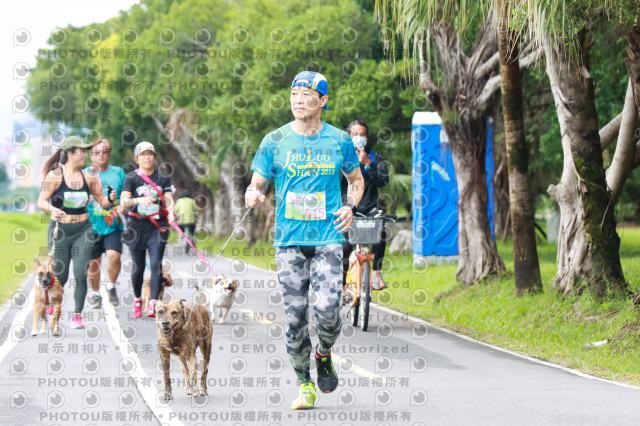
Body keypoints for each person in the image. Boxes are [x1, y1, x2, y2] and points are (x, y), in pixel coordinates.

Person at [246, 70, 364, 410]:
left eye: (307, 94)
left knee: (328, 311)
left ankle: (324, 352)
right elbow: (256, 184)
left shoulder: (340, 140)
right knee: (296, 318)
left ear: (323, 101)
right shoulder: (274, 141)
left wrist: (350, 206)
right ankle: (304, 383)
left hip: (328, 237)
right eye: (294, 94)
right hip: (289, 241)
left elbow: (356, 181)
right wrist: (252, 194)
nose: (298, 100)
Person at [37, 136, 116, 329]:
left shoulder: (89, 177)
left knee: (81, 273)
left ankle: (77, 315)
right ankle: (50, 300)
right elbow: (41, 201)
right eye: (81, 152)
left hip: (83, 230)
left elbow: (103, 201)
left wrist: (111, 198)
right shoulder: (54, 176)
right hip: (60, 232)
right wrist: (52, 209)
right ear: (71, 153)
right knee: (61, 276)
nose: (85, 156)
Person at [119, 142, 175, 319]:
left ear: (154, 157)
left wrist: (172, 213)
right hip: (136, 227)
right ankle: (137, 299)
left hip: (157, 227)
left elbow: (168, 197)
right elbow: (124, 202)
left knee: (156, 264)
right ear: (137, 159)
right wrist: (137, 201)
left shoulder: (163, 177)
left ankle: (152, 303)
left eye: (150, 154)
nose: (147, 157)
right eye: (143, 154)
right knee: (138, 267)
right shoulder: (131, 178)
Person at [342, 120, 390, 290]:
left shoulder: (375, 157)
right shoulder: (341, 156)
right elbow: (335, 182)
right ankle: (341, 284)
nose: (358, 137)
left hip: (370, 208)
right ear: (348, 136)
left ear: (367, 137)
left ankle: (376, 273)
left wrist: (368, 164)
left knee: (380, 235)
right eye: (354, 134)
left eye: (362, 134)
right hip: (348, 208)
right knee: (345, 246)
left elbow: (383, 180)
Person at [85, 139, 126, 308]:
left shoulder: (118, 172)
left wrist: (122, 206)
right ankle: (95, 293)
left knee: (114, 255)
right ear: (90, 154)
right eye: (96, 152)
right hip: (91, 224)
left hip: (112, 224)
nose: (100, 155)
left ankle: (111, 286)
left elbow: (125, 194)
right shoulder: (84, 174)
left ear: (109, 153)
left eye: (104, 151)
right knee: (94, 262)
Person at [174, 190, 200, 254]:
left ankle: (180, 237)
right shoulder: (192, 201)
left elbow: (175, 210)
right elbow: (198, 209)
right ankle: (193, 241)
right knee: (193, 232)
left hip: (181, 221)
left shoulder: (179, 201)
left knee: (180, 230)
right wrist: (198, 214)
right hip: (191, 221)